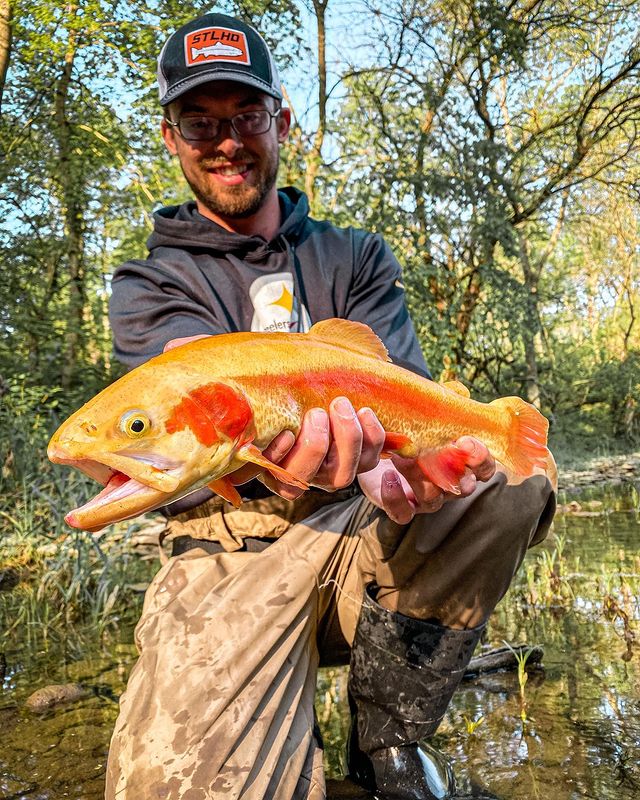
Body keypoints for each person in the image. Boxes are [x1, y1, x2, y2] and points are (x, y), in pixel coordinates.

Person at [104, 12, 556, 800]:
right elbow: (183, 401)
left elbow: (408, 412)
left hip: (359, 528)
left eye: (244, 116)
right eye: (198, 122)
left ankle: (387, 739)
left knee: (512, 480)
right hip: (228, 548)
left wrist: (402, 476)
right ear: (170, 136)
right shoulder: (149, 284)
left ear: (280, 120)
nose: (226, 141)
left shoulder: (354, 257)